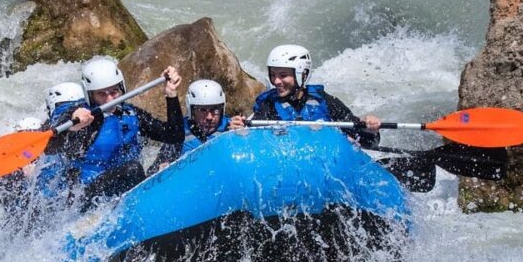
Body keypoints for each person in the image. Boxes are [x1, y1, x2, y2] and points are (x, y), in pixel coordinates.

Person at [44, 58, 184, 210]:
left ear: (122, 88)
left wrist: (171, 95)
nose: (109, 99)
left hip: (122, 188)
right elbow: (50, 147)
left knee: (161, 162)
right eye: (101, 94)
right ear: (89, 95)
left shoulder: (131, 114)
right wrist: (72, 125)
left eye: (114, 92)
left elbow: (174, 135)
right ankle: (147, 205)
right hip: (85, 196)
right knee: (132, 169)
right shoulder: (82, 117)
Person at [250, 44, 381, 149]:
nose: (276, 81)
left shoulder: (325, 102)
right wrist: (237, 129)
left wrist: (370, 129)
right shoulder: (268, 105)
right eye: (273, 74)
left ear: (303, 74)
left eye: (283, 75)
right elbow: (252, 142)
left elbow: (369, 142)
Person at [147, 79, 246, 173]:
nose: (209, 117)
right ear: (192, 111)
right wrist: (162, 169)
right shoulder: (178, 132)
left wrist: (240, 136)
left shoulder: (230, 128)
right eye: (202, 110)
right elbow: (152, 171)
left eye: (215, 110)